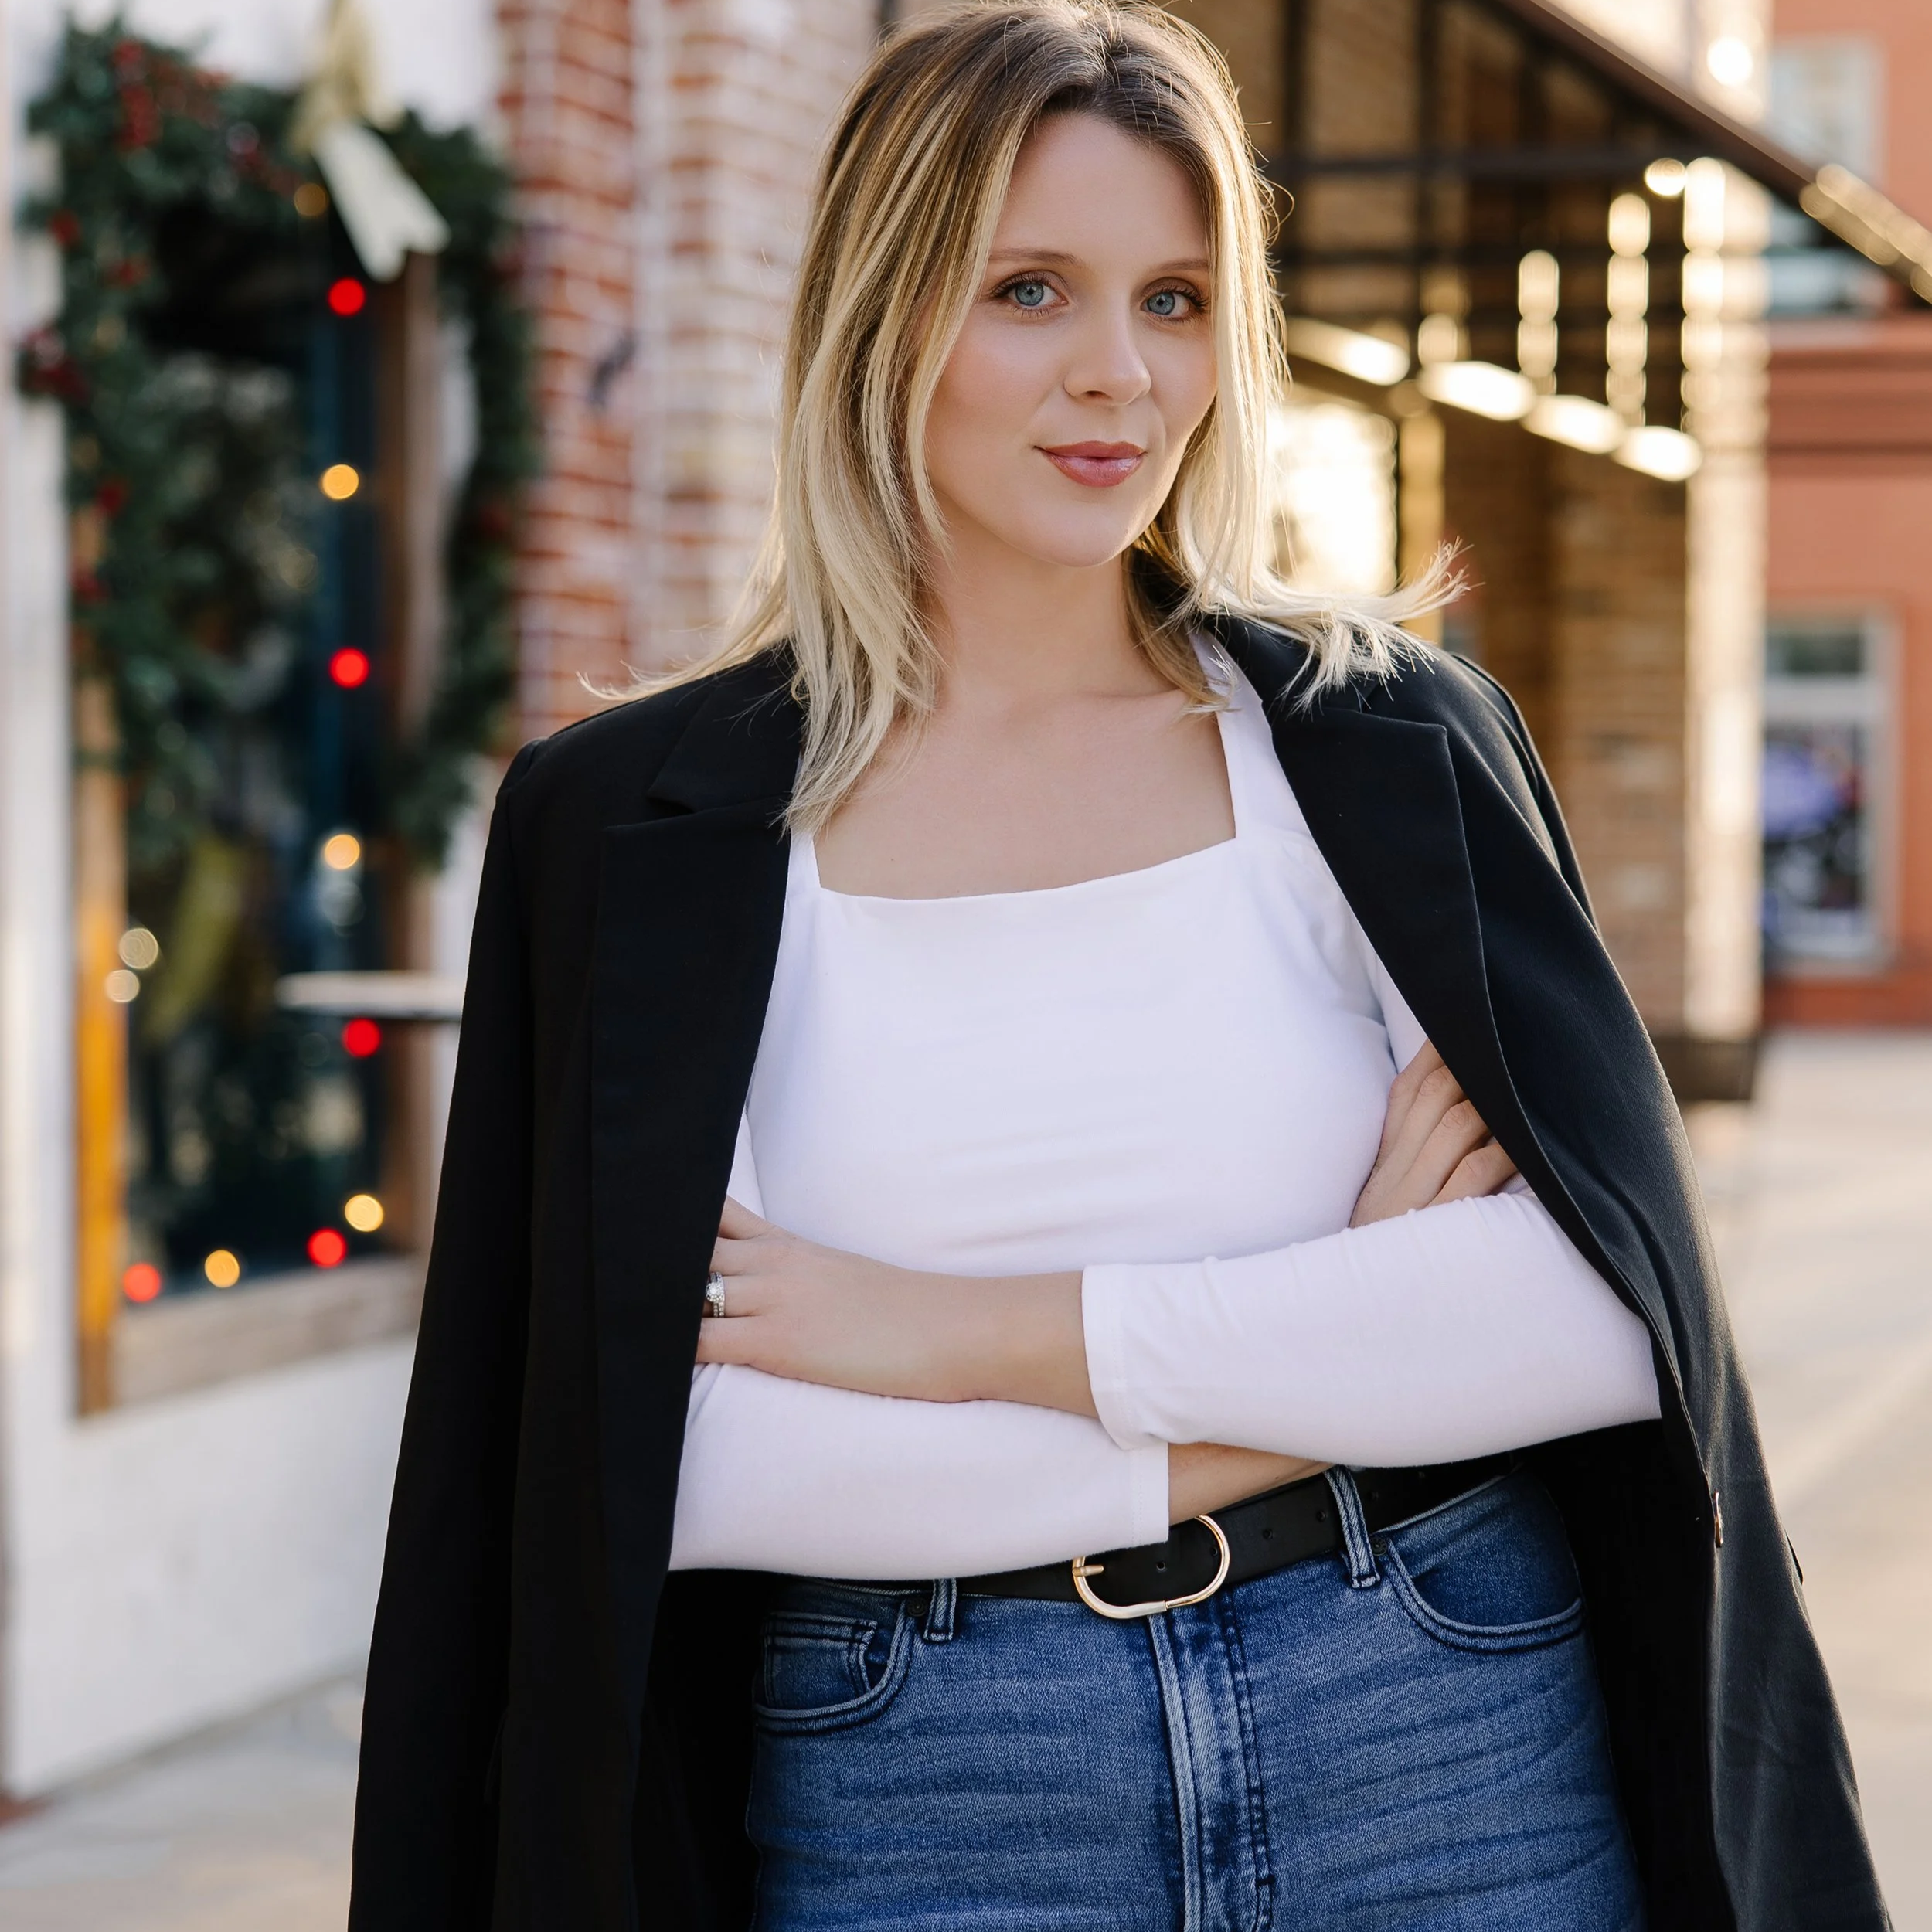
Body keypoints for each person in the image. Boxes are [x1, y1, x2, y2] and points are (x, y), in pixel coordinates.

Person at [349, 3, 1888, 1928]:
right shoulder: (630, 827)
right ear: (878, 314)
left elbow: (1588, 1330)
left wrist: (936, 1331)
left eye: (1172, 300)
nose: (1117, 377)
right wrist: (1345, 1326)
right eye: (1028, 290)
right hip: (928, 1784)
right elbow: (694, 1463)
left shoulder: (1376, 744)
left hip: (1440, 1732)